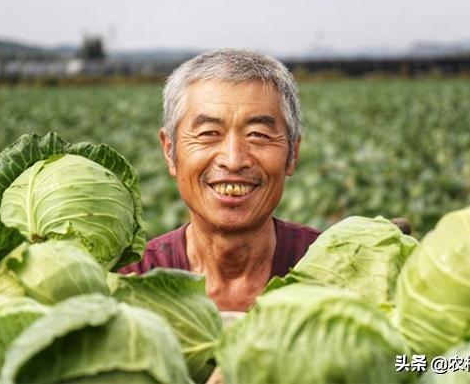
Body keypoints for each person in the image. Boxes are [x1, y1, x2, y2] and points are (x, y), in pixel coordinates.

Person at [119, 49, 321, 311]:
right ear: (170, 151)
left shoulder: (332, 269)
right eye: (209, 133)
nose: (234, 159)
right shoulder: (129, 283)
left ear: (292, 154)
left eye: (258, 134)